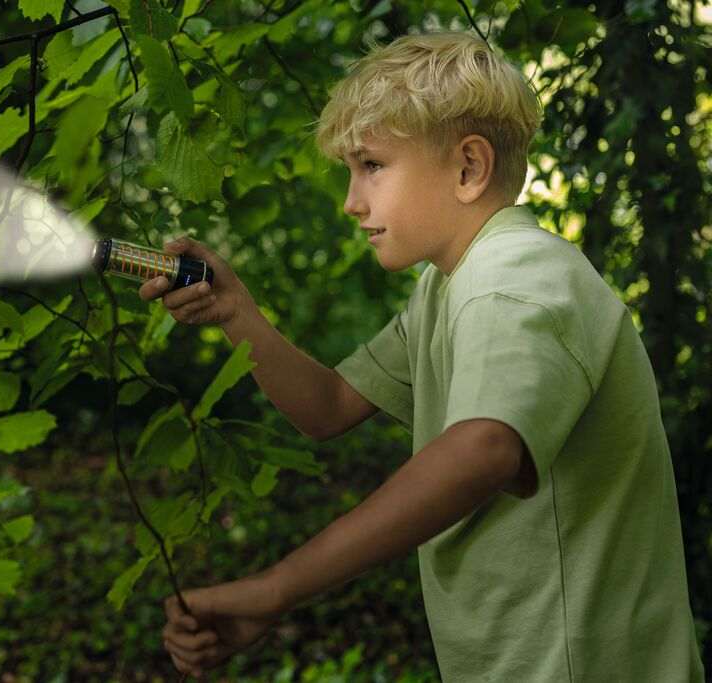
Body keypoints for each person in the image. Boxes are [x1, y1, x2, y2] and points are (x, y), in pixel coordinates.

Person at [139, 31, 706, 681]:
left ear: (469, 168)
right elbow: (328, 407)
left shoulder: (515, 278)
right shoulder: (448, 287)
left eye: (372, 166)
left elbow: (483, 448)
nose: (352, 201)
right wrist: (236, 311)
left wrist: (279, 587)